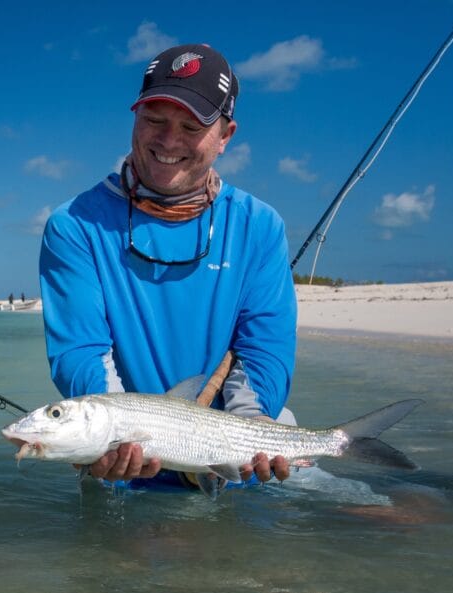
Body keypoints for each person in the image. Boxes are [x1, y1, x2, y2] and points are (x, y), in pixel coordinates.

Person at [39, 43, 297, 489]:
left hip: (238, 452)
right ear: (134, 118)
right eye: (154, 120)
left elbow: (264, 348)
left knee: (376, 510)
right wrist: (120, 437)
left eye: (191, 126)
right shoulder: (73, 225)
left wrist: (250, 428)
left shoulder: (260, 226)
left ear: (225, 136)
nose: (169, 141)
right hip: (122, 463)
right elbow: (80, 350)